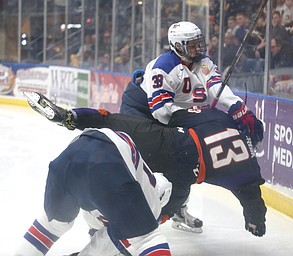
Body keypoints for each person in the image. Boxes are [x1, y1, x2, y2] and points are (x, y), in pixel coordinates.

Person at [25, 91, 267, 241]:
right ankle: (116, 232)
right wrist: (255, 222)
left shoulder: (221, 119)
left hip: (170, 141)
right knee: (156, 213)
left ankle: (71, 117)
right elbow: (252, 198)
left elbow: (179, 117)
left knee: (110, 120)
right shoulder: (249, 166)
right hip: (183, 176)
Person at [110, 21, 264, 233]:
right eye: (191, 45)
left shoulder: (203, 62)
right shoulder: (162, 67)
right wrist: (197, 117)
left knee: (185, 155)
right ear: (177, 46)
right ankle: (112, 209)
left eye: (198, 43)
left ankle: (179, 209)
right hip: (143, 108)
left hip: (177, 113)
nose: (197, 49)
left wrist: (238, 107)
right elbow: (161, 112)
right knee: (134, 157)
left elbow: (216, 85)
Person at [15, 127, 173, 256]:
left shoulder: (137, 176)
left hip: (66, 161)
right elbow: (121, 236)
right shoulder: (151, 206)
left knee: (50, 226)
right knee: (147, 238)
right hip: (104, 167)